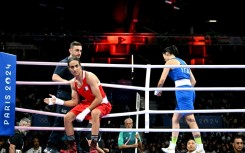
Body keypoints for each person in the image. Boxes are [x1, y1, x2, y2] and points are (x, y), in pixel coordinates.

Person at [44, 57, 112, 153]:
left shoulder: (89, 77)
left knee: (95, 113)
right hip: (87, 102)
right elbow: (74, 102)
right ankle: (72, 147)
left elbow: (99, 98)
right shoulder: (73, 83)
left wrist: (85, 112)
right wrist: (57, 101)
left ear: (80, 66)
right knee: (67, 118)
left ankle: (93, 146)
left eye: (76, 66)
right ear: (69, 69)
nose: (75, 69)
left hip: (101, 102)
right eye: (72, 67)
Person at [155, 45, 205, 153]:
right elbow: (194, 81)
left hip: (182, 92)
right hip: (189, 91)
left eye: (164, 56)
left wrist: (158, 90)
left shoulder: (169, 62)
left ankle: (200, 146)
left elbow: (161, 80)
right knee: (175, 119)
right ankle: (172, 147)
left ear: (167, 54)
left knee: (190, 119)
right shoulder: (184, 62)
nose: (164, 58)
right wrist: (187, 90)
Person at [44, 41, 83, 153]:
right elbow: (54, 77)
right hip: (64, 95)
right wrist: (67, 82)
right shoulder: (64, 62)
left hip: (76, 96)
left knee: (75, 121)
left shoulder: (79, 64)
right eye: (77, 50)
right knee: (60, 120)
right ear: (70, 50)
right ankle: (50, 146)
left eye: (80, 50)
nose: (79, 52)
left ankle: (76, 148)